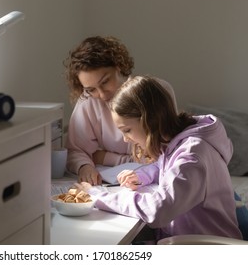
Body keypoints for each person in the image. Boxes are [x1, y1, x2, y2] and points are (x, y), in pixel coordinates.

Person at [76, 75, 242, 240]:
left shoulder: (192, 157)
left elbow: (157, 210)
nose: (126, 139)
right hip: (186, 240)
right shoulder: (178, 142)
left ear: (150, 121)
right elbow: (165, 166)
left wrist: (96, 195)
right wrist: (141, 175)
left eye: (127, 130)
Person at [64, 36, 177, 185]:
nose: (102, 95)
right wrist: (84, 166)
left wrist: (104, 157)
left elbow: (167, 153)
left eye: (105, 82)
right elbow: (75, 150)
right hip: (112, 180)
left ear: (119, 66)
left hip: (155, 178)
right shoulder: (88, 102)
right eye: (91, 89)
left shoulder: (157, 92)